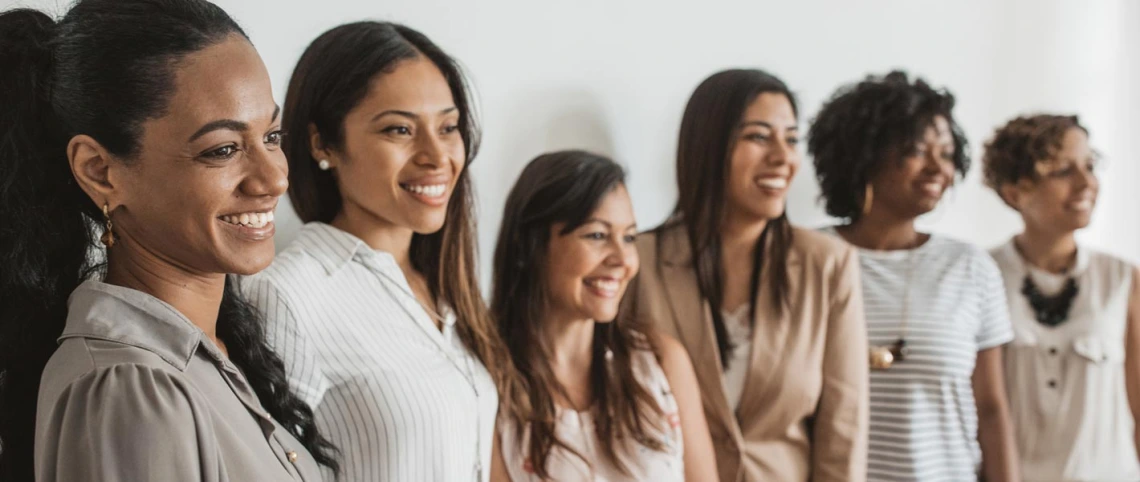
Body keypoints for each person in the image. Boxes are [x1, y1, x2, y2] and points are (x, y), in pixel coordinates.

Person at [0, 1, 337, 480]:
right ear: (100, 171)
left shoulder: (207, 352)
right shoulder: (130, 390)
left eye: (272, 135)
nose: (273, 179)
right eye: (223, 149)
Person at [239, 21, 515, 482]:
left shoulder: (446, 289)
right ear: (322, 143)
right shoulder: (287, 296)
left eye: (448, 127)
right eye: (400, 129)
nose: (436, 155)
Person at [626, 69, 869, 482]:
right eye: (758, 137)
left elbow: (843, 427)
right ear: (709, 146)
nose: (782, 157)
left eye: (791, 139)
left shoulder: (827, 264)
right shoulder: (638, 262)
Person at [809, 70, 1019, 481]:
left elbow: (992, 409)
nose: (937, 168)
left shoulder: (970, 267)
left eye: (945, 153)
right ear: (864, 153)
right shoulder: (807, 257)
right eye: (916, 150)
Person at [488, 150, 718, 481]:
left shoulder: (661, 362)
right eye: (596, 235)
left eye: (628, 238)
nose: (622, 259)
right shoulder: (487, 383)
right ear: (529, 246)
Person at [983, 114, 1140, 481]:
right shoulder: (983, 275)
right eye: (1063, 171)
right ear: (1015, 191)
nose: (1086, 183)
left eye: (1089, 166)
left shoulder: (1121, 279)